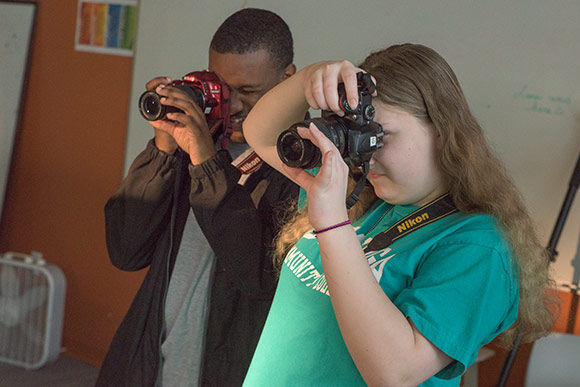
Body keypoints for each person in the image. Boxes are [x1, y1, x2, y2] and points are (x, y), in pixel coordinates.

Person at [241, 44, 556, 386]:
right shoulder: (359, 195)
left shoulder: (480, 247)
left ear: (441, 130)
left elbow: (396, 373)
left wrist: (333, 227)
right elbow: (260, 134)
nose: (366, 156)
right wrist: (310, 78)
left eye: (379, 136)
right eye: (357, 136)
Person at [96, 8, 298, 387]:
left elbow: (257, 277)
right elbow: (125, 251)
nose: (232, 104)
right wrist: (163, 150)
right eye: (221, 87)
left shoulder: (301, 164)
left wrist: (207, 163)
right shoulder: (192, 147)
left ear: (287, 78)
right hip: (148, 365)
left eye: (248, 91)